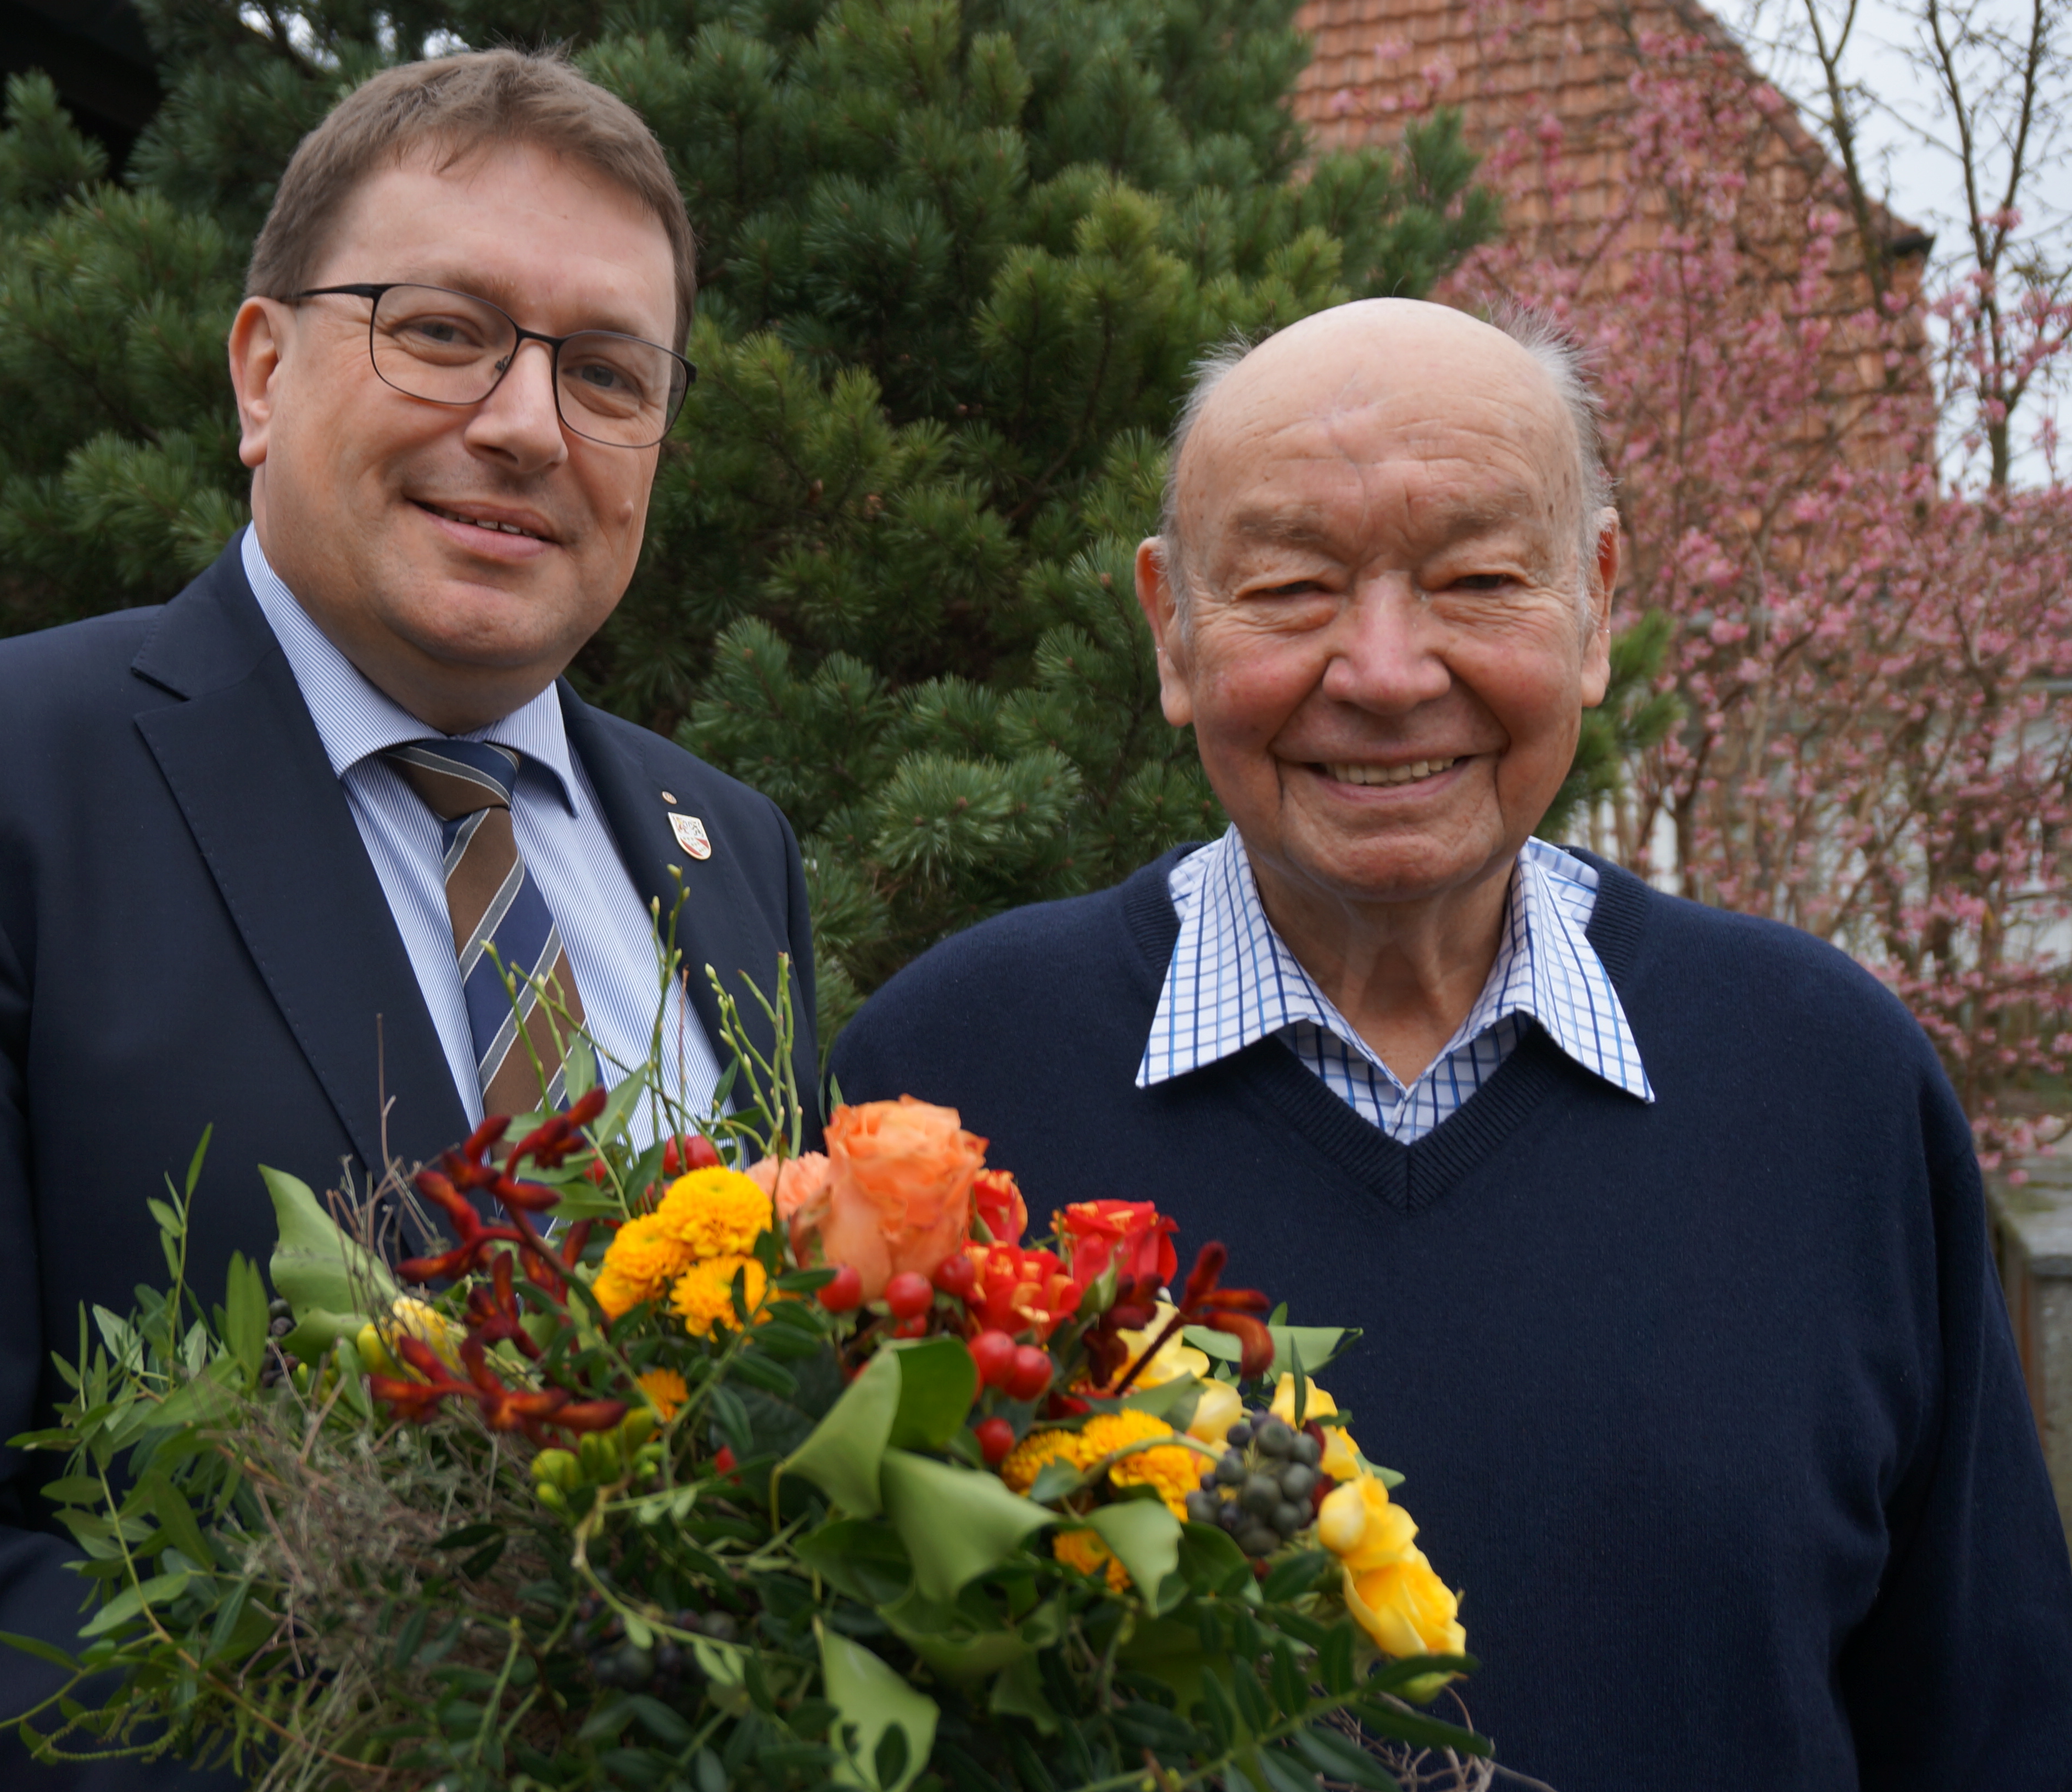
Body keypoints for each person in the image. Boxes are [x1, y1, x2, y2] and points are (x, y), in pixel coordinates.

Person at [0, 51, 816, 1789]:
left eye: (607, 373)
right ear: (264, 372)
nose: (524, 422)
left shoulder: (727, 848)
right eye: (443, 330)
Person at [833, 299, 2072, 1788]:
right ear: (1171, 627)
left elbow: (1994, 1718)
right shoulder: (947, 1090)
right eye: (1291, 589)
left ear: (1598, 603)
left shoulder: (1825, 1083)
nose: (1386, 672)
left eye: (1479, 578)